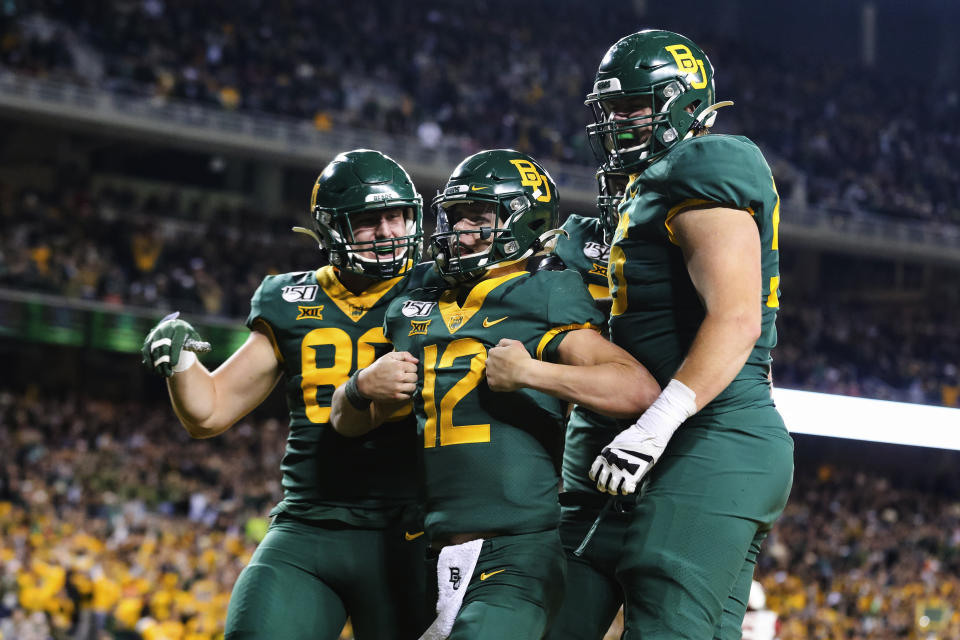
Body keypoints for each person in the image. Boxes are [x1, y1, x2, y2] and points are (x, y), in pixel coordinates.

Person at [331, 149, 659, 639]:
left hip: (516, 549)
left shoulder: (542, 292)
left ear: (523, 225)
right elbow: (346, 421)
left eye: (478, 219)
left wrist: (533, 375)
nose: (460, 233)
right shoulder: (416, 296)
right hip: (425, 547)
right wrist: (359, 389)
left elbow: (638, 389)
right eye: (455, 217)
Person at [141, 149, 433, 640]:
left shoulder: (442, 288)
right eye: (367, 221)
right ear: (332, 229)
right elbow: (208, 413)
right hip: (308, 524)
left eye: (395, 216)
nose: (387, 232)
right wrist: (182, 363)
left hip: (408, 530)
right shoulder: (292, 298)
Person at [583, 30, 795, 639]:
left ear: (679, 101)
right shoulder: (650, 183)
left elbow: (736, 316)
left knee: (663, 612)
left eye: (633, 107)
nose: (618, 122)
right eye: (611, 109)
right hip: (702, 436)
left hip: (714, 430)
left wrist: (654, 424)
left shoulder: (703, 163)